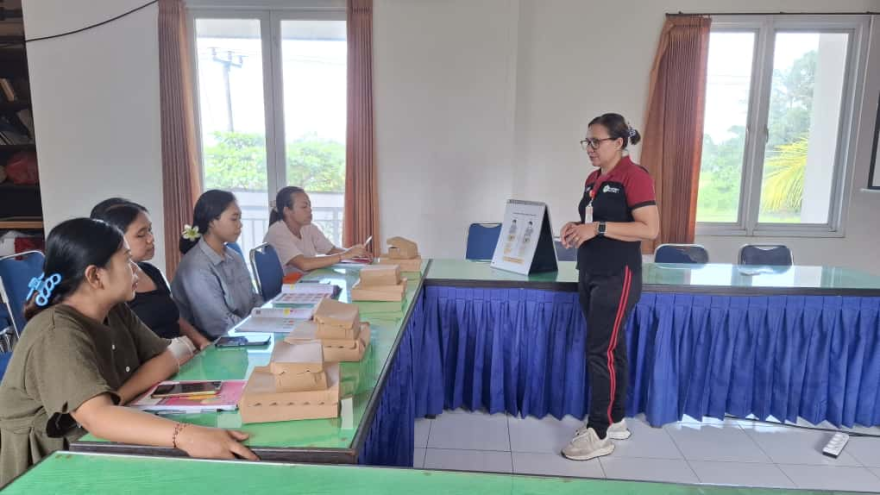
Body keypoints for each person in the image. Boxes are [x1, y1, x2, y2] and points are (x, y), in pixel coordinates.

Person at [0, 218, 257, 487]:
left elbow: (169, 356)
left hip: (96, 442)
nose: (135, 269)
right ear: (95, 276)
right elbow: (97, 418)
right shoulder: (55, 331)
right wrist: (188, 435)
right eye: (126, 261)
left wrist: (118, 398)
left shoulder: (114, 309)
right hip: (48, 469)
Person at [559, 113, 660, 461]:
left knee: (599, 351)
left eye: (596, 141)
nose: (589, 148)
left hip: (618, 275)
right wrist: (577, 227)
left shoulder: (636, 176)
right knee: (611, 349)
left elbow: (649, 230)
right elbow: (595, 222)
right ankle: (616, 419)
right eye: (587, 141)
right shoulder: (593, 178)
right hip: (590, 271)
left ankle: (599, 431)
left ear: (618, 143)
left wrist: (597, 228)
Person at [91, 200, 211, 349]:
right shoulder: (110, 287)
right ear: (116, 239)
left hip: (184, 354)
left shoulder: (151, 271)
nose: (151, 238)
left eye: (150, 230)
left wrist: (202, 342)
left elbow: (175, 319)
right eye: (141, 235)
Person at [171, 190, 263, 338]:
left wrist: (267, 317)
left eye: (240, 218)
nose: (240, 225)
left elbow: (253, 298)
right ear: (212, 222)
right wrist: (260, 328)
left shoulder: (234, 256)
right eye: (234, 219)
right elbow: (219, 325)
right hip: (219, 343)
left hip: (246, 331)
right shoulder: (197, 268)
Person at [264, 186, 370, 275]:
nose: (310, 210)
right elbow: (304, 264)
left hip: (306, 282)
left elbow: (330, 250)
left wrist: (355, 253)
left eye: (309, 205)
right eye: (304, 206)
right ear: (287, 211)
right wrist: (345, 255)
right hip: (288, 289)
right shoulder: (277, 233)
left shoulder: (307, 227)